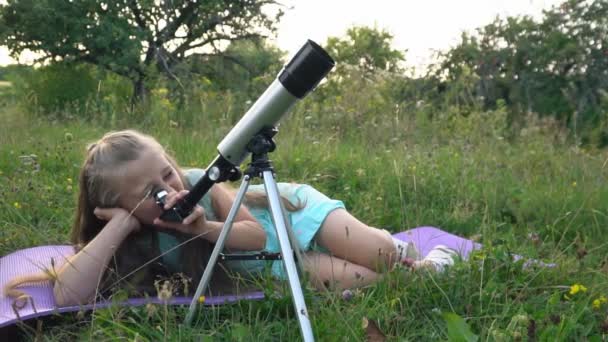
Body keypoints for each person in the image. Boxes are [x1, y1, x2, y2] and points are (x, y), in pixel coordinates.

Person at [4, 130, 456, 307]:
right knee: (373, 280)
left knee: (380, 255)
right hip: (274, 264)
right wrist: (122, 225)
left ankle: (397, 246)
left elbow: (255, 231)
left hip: (290, 217)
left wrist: (202, 227)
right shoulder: (127, 236)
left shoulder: (198, 181)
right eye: (151, 192)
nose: (171, 188)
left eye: (168, 172)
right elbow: (65, 295)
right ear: (117, 205)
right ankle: (425, 266)